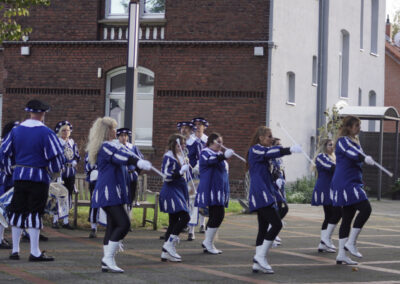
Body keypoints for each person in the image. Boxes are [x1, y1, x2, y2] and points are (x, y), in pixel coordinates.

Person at [0, 99, 65, 261]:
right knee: (35, 212)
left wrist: (10, 169)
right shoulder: (47, 133)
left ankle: (15, 250)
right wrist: (55, 172)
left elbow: (4, 151)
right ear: (42, 113)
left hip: (19, 176)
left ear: (29, 112)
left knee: (17, 210)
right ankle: (34, 251)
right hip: (39, 177)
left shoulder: (16, 131)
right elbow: (57, 157)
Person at [86, 117, 152, 273]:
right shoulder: (105, 147)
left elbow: (127, 154)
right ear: (105, 131)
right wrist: (137, 163)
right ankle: (107, 258)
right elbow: (120, 157)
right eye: (112, 129)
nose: (115, 131)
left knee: (113, 225)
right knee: (124, 224)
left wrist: (138, 161)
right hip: (108, 192)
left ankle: (106, 261)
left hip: (114, 191)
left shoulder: (112, 145)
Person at [246, 126, 302, 274]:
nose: (271, 139)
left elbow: (271, 165)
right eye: (269, 136)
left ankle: (258, 263)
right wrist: (288, 149)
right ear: (261, 138)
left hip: (266, 191)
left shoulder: (263, 151)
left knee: (263, 228)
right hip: (260, 193)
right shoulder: (255, 149)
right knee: (276, 224)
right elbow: (269, 152)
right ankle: (260, 257)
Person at [331, 115, 373, 265]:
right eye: (356, 126)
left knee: (348, 216)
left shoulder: (356, 141)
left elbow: (357, 156)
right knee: (366, 209)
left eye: (359, 126)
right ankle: (351, 242)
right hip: (345, 182)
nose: (359, 128)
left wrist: (365, 158)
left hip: (353, 180)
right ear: (348, 127)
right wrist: (363, 158)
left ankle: (341, 254)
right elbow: (350, 153)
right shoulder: (342, 141)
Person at [195, 133, 233, 255]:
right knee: (218, 215)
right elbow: (210, 161)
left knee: (214, 215)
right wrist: (223, 157)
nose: (221, 144)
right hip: (211, 188)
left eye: (222, 142)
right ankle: (208, 242)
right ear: (211, 142)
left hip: (219, 189)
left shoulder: (218, 154)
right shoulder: (205, 152)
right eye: (218, 141)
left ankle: (208, 243)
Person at [159, 134, 191, 262]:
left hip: (180, 189)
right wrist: (180, 172)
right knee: (185, 217)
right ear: (173, 144)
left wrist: (190, 169)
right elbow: (166, 176)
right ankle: (168, 245)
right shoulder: (168, 157)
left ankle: (165, 252)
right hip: (171, 190)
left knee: (173, 221)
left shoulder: (181, 156)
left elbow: (184, 173)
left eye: (183, 144)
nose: (182, 146)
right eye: (180, 144)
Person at [311, 138, 341, 253]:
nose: (332, 147)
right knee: (336, 213)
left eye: (333, 145)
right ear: (324, 146)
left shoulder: (333, 157)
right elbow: (332, 168)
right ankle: (325, 239)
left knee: (329, 216)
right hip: (325, 188)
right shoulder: (321, 157)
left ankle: (323, 243)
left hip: (332, 188)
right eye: (330, 145)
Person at [53, 121, 80, 230]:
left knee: (68, 195)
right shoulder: (57, 143)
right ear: (59, 132)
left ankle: (65, 220)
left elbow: (77, 156)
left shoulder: (73, 143)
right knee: (58, 195)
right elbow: (54, 156)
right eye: (63, 130)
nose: (66, 132)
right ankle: (55, 220)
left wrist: (75, 162)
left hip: (70, 172)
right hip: (60, 172)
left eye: (68, 130)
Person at [177, 121, 201, 241]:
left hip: (191, 177)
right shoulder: (177, 143)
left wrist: (196, 168)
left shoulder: (195, 143)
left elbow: (200, 158)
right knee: (181, 202)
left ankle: (191, 230)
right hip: (180, 176)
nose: (184, 130)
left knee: (192, 202)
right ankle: (180, 226)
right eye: (182, 128)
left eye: (186, 128)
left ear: (191, 130)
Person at [0, 121, 19, 249]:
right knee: (2, 210)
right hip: (5, 180)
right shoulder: (6, 144)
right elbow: (5, 163)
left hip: (10, 180)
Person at [116, 128, 143, 208]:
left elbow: (140, 160)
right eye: (121, 136)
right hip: (120, 175)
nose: (123, 137)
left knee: (131, 193)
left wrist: (136, 172)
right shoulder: (116, 147)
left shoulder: (133, 148)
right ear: (118, 137)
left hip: (131, 175)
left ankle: (130, 206)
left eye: (125, 135)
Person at [190, 117, 209, 233]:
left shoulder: (207, 140)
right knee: (192, 199)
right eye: (195, 124)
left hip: (204, 172)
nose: (197, 127)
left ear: (204, 127)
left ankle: (202, 223)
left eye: (200, 125)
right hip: (192, 173)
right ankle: (191, 229)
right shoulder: (190, 140)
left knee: (204, 199)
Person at [270, 137, 288, 246]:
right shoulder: (271, 158)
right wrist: (275, 179)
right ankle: (272, 229)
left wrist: (283, 180)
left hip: (280, 186)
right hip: (273, 186)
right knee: (278, 208)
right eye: (278, 145)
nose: (280, 147)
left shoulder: (279, 159)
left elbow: (282, 171)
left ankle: (273, 229)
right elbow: (271, 171)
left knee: (283, 208)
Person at [84, 153, 99, 238]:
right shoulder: (91, 152)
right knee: (94, 203)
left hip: (107, 180)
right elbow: (87, 167)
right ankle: (93, 228)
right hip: (94, 181)